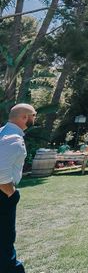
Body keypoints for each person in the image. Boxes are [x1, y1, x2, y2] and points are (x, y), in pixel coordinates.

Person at [0, 103, 36, 273]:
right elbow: (0, 173)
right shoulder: (13, 139)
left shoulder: (2, 133)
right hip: (3, 194)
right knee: (5, 238)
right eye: (33, 116)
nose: (35, 119)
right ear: (24, 117)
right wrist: (11, 193)